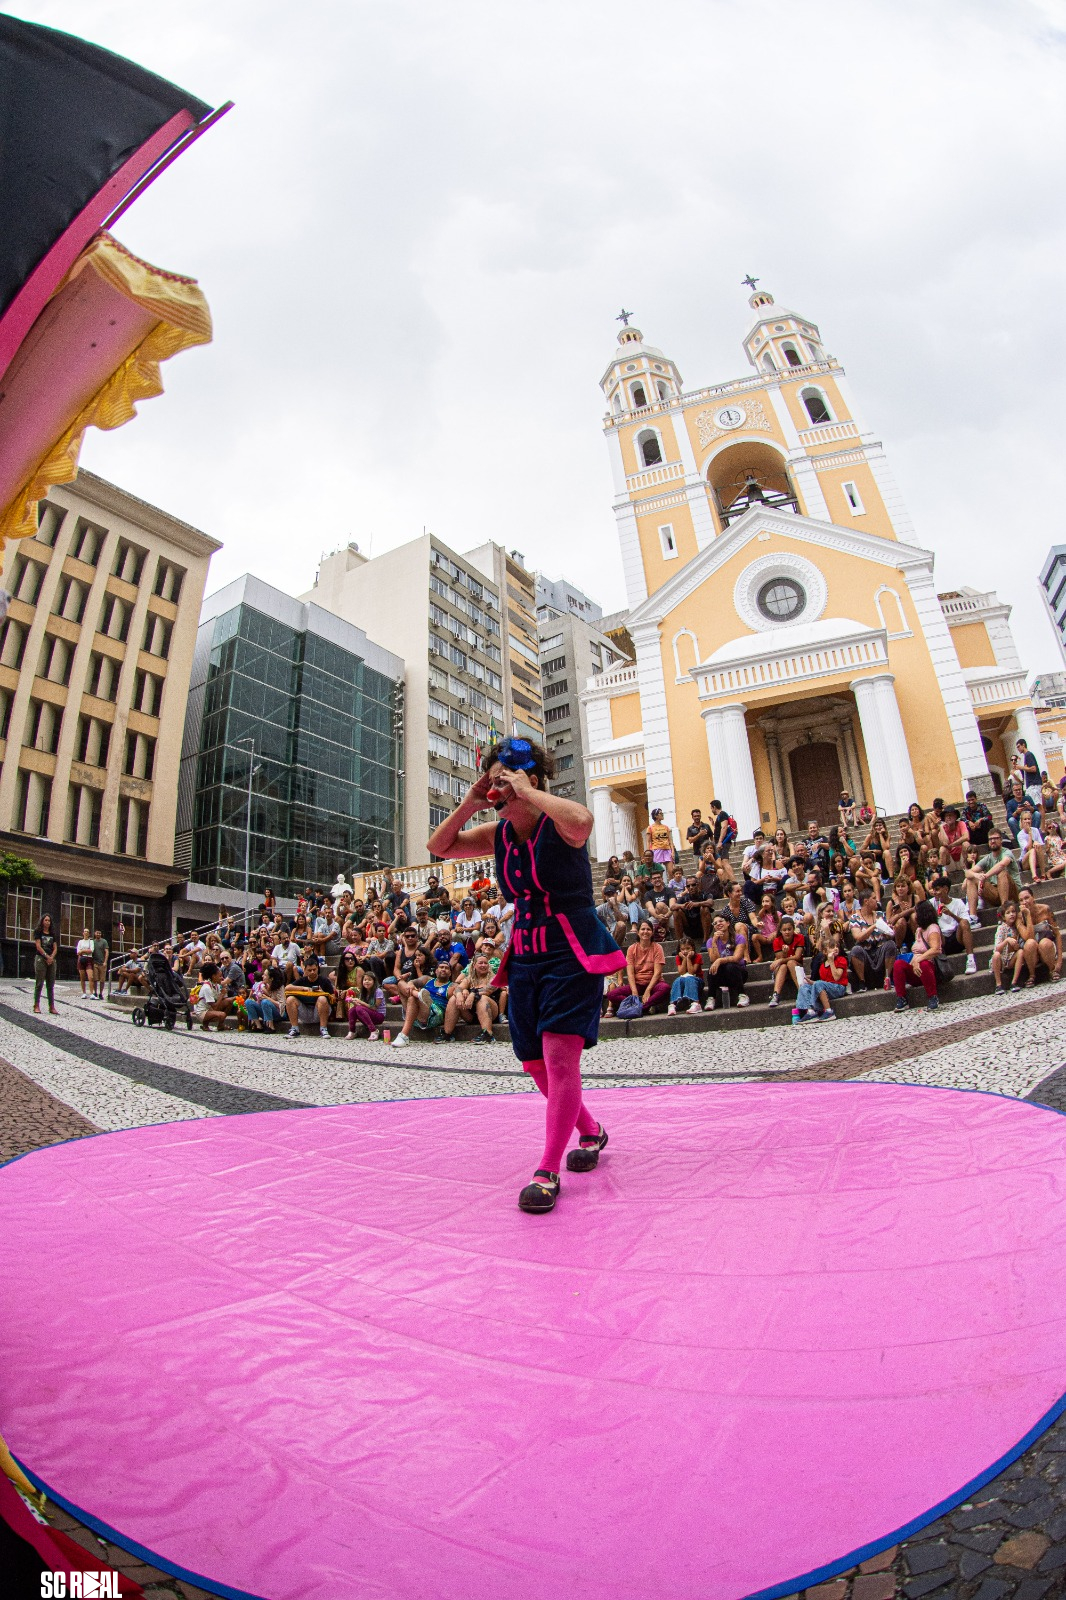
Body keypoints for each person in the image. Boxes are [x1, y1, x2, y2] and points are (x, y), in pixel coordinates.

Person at [426, 736, 624, 1213]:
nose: (499, 789)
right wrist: (471, 801)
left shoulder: (559, 822)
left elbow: (583, 821)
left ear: (530, 779)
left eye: (505, 779)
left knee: (559, 1058)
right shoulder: (498, 835)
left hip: (572, 949)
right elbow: (440, 845)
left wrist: (527, 790)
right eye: (493, 781)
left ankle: (548, 1171)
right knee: (535, 1064)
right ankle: (591, 1131)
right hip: (527, 954)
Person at [604, 922, 669, 1016]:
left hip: (654, 983)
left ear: (652, 932)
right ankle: (644, 1006)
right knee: (612, 994)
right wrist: (634, 992)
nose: (645, 932)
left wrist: (648, 991)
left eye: (648, 929)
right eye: (642, 929)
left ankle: (639, 1007)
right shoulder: (631, 949)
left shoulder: (657, 947)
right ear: (638, 932)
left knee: (665, 988)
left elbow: (657, 973)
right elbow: (630, 974)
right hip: (637, 983)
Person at [892, 899, 944, 1012]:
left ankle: (933, 997)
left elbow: (936, 949)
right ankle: (901, 999)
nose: (914, 916)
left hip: (929, 968)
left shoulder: (933, 928)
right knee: (898, 964)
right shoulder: (919, 930)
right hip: (916, 969)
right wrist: (914, 963)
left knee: (924, 964)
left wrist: (919, 960)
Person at [793, 930, 850, 1023]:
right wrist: (811, 983)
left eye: (836, 946)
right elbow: (824, 984)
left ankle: (829, 1011)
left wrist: (831, 962)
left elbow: (837, 977)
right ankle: (810, 1011)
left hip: (839, 988)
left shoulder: (841, 960)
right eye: (832, 947)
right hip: (828, 988)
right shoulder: (822, 966)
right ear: (824, 951)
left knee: (819, 983)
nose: (835, 948)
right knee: (804, 987)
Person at [848, 889, 898, 991]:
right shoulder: (855, 918)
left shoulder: (880, 915)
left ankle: (887, 978)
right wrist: (875, 926)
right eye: (874, 898)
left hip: (880, 950)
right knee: (855, 950)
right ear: (866, 901)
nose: (877, 901)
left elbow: (888, 937)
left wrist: (890, 931)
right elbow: (858, 937)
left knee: (891, 944)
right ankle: (862, 982)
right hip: (865, 953)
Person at [928, 873, 978, 974]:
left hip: (956, 938)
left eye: (937, 889)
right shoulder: (931, 903)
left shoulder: (958, 902)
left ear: (945, 889)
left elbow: (966, 922)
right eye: (933, 890)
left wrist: (951, 914)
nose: (935, 892)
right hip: (941, 941)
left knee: (964, 922)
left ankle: (971, 960)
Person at [964, 828, 1020, 917]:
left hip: (1013, 893)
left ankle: (1004, 912)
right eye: (990, 839)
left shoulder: (1007, 852)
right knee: (971, 879)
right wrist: (976, 875)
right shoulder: (988, 858)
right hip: (996, 893)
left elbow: (1002, 865)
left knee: (1002, 873)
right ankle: (973, 917)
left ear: (1001, 840)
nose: (992, 841)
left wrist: (985, 876)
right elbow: (967, 873)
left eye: (995, 838)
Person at [1013, 888, 1062, 988]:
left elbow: (1057, 934)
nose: (1024, 902)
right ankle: (1032, 974)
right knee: (1030, 943)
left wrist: (1060, 961)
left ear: (1033, 897)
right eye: (1021, 900)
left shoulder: (1045, 909)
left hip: (1047, 947)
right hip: (1031, 951)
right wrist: (1027, 915)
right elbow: (1029, 937)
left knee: (1044, 943)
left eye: (1027, 898)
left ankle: (1052, 970)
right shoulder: (1019, 917)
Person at [284, 953, 335, 1040]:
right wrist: (304, 988)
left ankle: (323, 1029)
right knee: (290, 999)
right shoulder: (302, 980)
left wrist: (322, 992)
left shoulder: (324, 980)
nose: (312, 972)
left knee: (322, 998)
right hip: (305, 1011)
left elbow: (333, 998)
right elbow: (287, 988)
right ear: (305, 970)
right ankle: (295, 1029)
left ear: (317, 968)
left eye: (314, 970)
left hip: (320, 1010)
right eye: (310, 970)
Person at [705, 913, 749, 1008]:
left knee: (730, 966)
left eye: (721, 921)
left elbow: (737, 958)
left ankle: (742, 995)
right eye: (715, 923)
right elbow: (713, 959)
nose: (718, 924)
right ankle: (711, 998)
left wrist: (720, 960)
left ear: (728, 923)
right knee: (712, 969)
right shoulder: (710, 941)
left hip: (738, 973)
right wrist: (714, 942)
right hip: (722, 976)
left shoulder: (739, 937)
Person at [768, 916, 806, 1008]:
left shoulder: (800, 937)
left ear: (793, 929)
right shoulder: (777, 941)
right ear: (780, 931)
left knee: (791, 962)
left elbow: (797, 956)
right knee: (784, 966)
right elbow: (780, 960)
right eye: (784, 930)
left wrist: (781, 959)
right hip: (782, 969)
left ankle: (802, 992)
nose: (787, 932)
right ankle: (776, 994)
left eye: (789, 929)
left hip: (796, 967)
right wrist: (784, 955)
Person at [991, 903, 1023, 996]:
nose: (1012, 914)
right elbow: (997, 948)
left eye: (1013, 912)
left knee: (1020, 952)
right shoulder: (1001, 928)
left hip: (1010, 958)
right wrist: (1007, 940)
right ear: (1004, 917)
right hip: (1001, 959)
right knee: (996, 955)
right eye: (1008, 913)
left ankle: (1014, 982)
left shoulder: (1017, 927)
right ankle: (998, 985)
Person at [346, 968, 387, 1040]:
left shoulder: (378, 991)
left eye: (369, 980)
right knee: (352, 1010)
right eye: (365, 980)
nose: (367, 982)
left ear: (374, 981)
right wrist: (354, 1002)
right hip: (367, 1013)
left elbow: (374, 1007)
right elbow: (361, 1007)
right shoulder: (363, 992)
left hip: (379, 1016)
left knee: (359, 1008)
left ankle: (374, 1030)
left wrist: (361, 1002)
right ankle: (352, 1031)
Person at [667, 937, 704, 1015]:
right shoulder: (678, 958)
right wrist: (684, 959)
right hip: (685, 981)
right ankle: (673, 1004)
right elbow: (681, 972)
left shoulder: (698, 956)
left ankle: (696, 1003)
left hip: (697, 981)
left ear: (693, 948)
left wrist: (688, 959)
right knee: (677, 980)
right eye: (683, 949)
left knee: (689, 978)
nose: (685, 951)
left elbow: (691, 972)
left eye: (688, 948)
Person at [245, 967, 286, 1032]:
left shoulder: (280, 988)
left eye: (265, 975)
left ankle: (270, 1026)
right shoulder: (264, 985)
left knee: (265, 1001)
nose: (262, 976)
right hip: (266, 1011)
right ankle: (257, 1026)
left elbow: (281, 1005)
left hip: (279, 1013)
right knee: (248, 1002)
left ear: (271, 978)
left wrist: (267, 998)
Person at [33, 915, 59, 1014]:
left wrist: (51, 957)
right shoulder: (38, 932)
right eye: (46, 920)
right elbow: (38, 946)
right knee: (39, 983)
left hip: (51, 960)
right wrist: (46, 956)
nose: (47, 922)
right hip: (41, 958)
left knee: (50, 984)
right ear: (42, 921)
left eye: (49, 920)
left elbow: (55, 947)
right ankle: (36, 1005)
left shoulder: (52, 933)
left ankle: (51, 1006)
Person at [1014, 738, 1042, 806]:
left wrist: (1021, 767)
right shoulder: (1026, 756)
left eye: (1018, 746)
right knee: (1033, 805)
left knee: (1038, 805)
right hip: (1030, 785)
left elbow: (1033, 769)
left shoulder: (1028, 755)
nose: (1018, 749)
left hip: (1034, 784)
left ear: (1023, 745)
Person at [90, 927, 109, 999]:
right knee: (95, 979)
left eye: (100, 933)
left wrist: (105, 962)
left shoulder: (104, 941)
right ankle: (95, 992)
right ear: (95, 934)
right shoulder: (92, 942)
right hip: (95, 963)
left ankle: (101, 993)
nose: (98, 934)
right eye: (97, 933)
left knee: (102, 979)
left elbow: (106, 952)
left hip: (102, 963)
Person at [75, 927, 95, 996]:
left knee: (90, 977)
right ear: (83, 933)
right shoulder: (80, 942)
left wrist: (82, 951)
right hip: (81, 959)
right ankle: (84, 993)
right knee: (82, 977)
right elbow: (78, 952)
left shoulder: (91, 941)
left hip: (89, 959)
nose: (86, 933)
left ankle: (91, 993)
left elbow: (91, 950)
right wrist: (85, 951)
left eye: (87, 931)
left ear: (89, 934)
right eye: (85, 931)